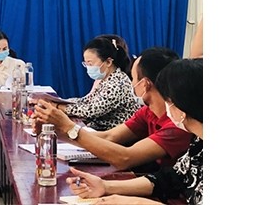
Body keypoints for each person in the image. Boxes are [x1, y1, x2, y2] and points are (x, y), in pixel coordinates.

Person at [67, 58, 203, 205]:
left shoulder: (182, 131)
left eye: (167, 99)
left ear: (181, 106)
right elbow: (172, 178)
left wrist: (137, 203)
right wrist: (105, 186)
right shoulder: (198, 142)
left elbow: (126, 157)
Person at [33, 47, 192, 172]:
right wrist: (55, 130)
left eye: (134, 78)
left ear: (144, 84)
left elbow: (125, 158)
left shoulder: (178, 123)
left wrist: (68, 126)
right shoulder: (148, 111)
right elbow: (109, 137)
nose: (131, 82)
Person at [56, 35, 141, 130]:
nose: (88, 67)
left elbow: (91, 110)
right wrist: (59, 101)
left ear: (108, 62)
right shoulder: (106, 79)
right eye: (86, 64)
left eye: (90, 63)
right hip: (100, 131)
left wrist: (59, 107)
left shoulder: (118, 83)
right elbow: (86, 101)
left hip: (115, 136)